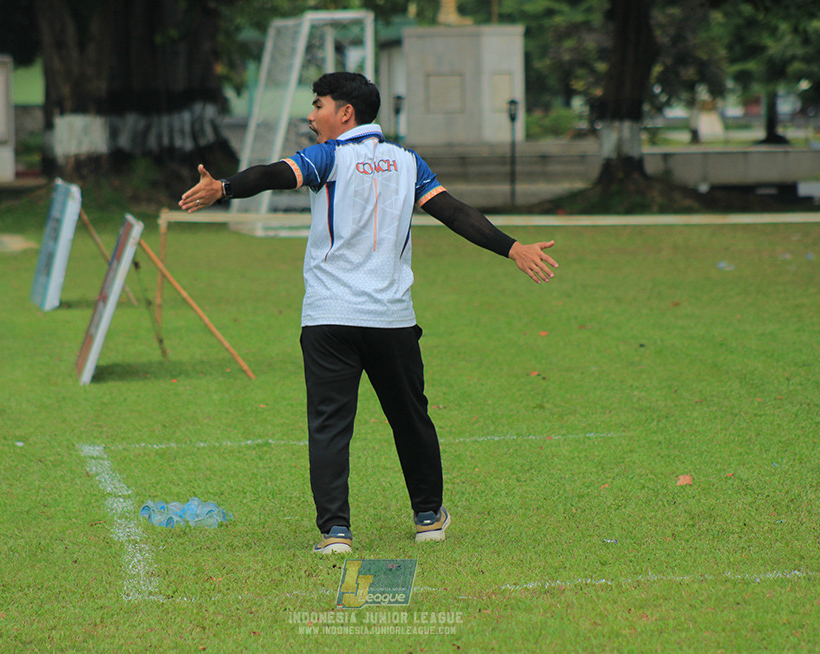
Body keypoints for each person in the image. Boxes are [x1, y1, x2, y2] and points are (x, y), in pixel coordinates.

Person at [179, 72, 557, 554]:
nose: (312, 116)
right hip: (391, 320)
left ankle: (336, 532)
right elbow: (456, 214)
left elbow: (274, 174)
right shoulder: (407, 161)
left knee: (330, 426)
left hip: (329, 318)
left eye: (318, 106)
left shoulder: (329, 157)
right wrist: (513, 248)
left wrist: (225, 188)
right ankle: (427, 516)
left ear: (345, 114)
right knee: (410, 418)